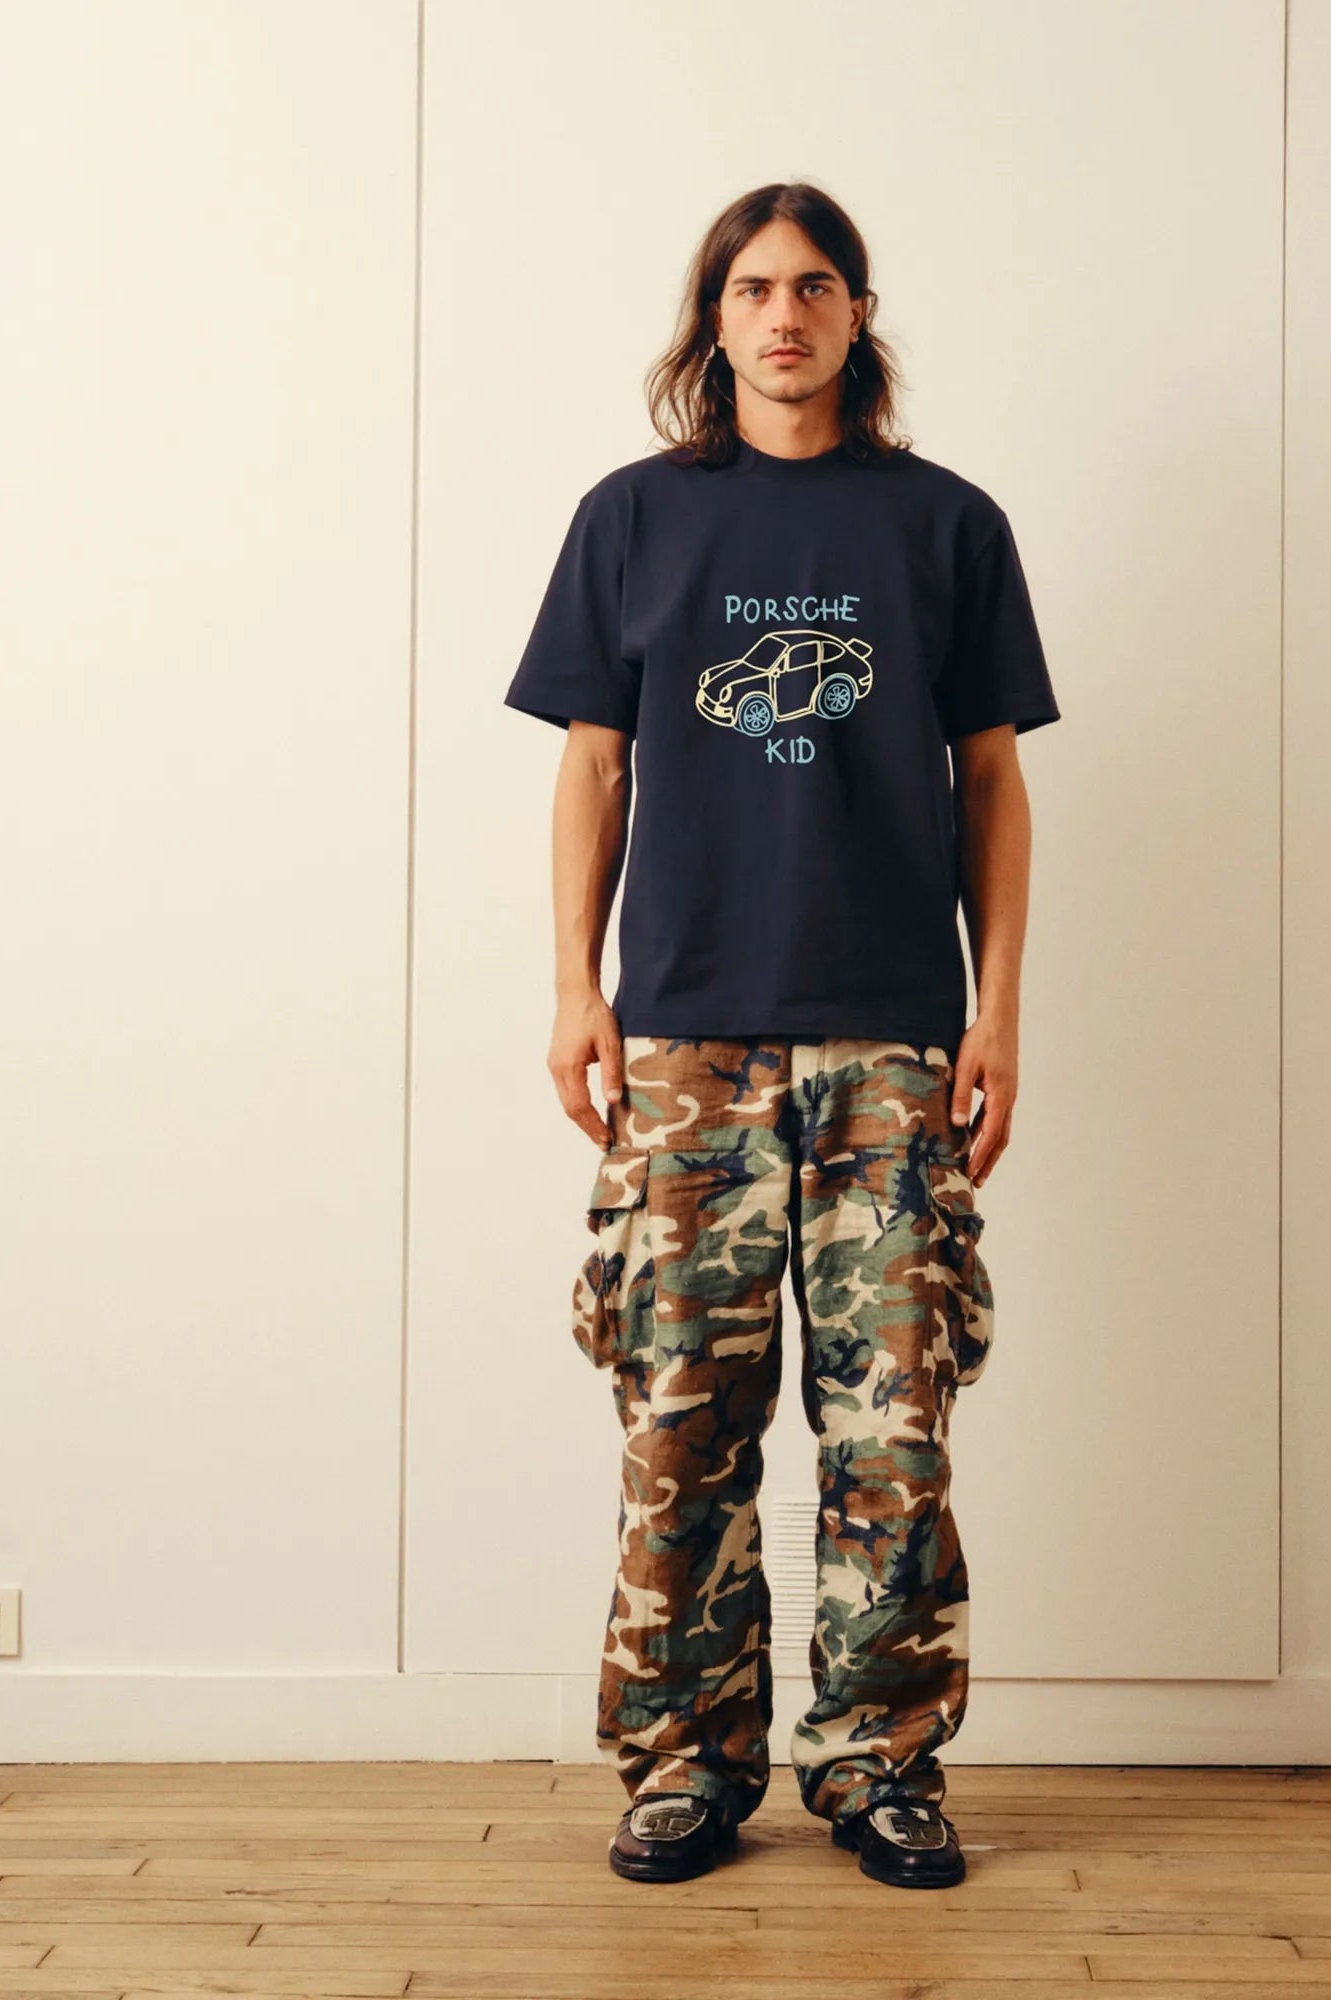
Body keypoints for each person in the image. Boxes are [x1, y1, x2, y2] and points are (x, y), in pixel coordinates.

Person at [503, 182, 1060, 1889]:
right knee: (680, 1425)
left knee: (893, 1433)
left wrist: (997, 1012)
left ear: (856, 314)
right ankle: (684, 1766)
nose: (784, 315)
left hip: (891, 1044)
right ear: (715, 319)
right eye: (752, 289)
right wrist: (575, 987)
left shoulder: (946, 525)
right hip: (686, 1047)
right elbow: (593, 765)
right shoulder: (633, 519)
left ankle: (880, 1765)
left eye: (814, 286)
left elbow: (991, 781)